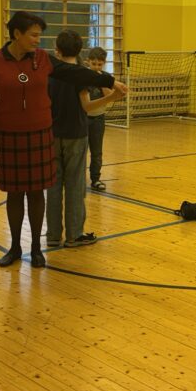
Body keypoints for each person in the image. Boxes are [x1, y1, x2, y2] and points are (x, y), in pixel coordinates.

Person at [0, 12, 125, 268]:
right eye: (33, 35)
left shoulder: (43, 59)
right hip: (10, 136)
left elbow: (74, 73)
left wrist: (109, 80)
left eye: (39, 35)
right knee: (14, 194)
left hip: (40, 134)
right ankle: (14, 247)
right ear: (17, 34)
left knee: (36, 193)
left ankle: (36, 248)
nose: (38, 40)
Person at [46, 36, 121, 249]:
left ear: (57, 49)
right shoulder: (80, 75)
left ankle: (53, 235)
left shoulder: (49, 73)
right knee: (75, 185)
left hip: (52, 134)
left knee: (53, 186)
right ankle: (74, 235)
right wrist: (112, 97)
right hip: (75, 134)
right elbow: (87, 106)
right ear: (80, 52)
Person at [83, 46, 111, 191]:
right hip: (83, 119)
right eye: (94, 64)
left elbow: (109, 96)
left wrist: (101, 81)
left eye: (99, 64)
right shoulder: (83, 76)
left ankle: (96, 179)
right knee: (81, 151)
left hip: (98, 119)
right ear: (88, 62)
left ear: (104, 63)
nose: (96, 67)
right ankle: (78, 179)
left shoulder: (105, 77)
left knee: (97, 151)